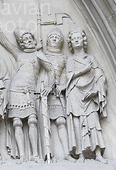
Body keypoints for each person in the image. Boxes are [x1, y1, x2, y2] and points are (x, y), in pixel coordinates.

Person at [0, 13, 52, 163]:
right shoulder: (19, 54)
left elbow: (51, 70)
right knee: (17, 122)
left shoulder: (39, 55)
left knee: (32, 120)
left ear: (33, 39)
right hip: (15, 89)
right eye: (24, 39)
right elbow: (5, 43)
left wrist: (49, 86)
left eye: (29, 38)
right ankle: (22, 155)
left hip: (29, 90)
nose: (28, 41)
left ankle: (35, 154)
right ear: (21, 43)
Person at [65, 29, 108, 163]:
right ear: (70, 43)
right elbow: (68, 76)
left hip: (90, 93)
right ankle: (81, 155)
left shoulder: (91, 59)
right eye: (74, 38)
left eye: (79, 38)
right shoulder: (70, 60)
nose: (76, 40)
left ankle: (98, 154)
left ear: (83, 41)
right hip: (75, 93)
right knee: (78, 123)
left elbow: (100, 76)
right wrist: (83, 70)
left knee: (93, 122)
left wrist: (96, 90)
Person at [39, 28, 72, 161]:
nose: (54, 39)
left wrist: (63, 85)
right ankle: (48, 153)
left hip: (56, 91)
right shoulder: (42, 55)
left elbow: (69, 75)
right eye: (51, 36)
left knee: (61, 121)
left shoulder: (64, 58)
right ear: (47, 40)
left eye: (57, 37)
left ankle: (66, 153)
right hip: (43, 91)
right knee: (44, 122)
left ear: (62, 42)